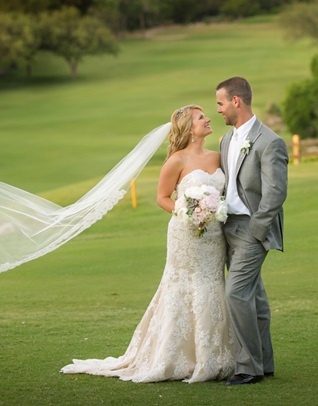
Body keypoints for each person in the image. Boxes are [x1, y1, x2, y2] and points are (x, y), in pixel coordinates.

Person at [60, 105, 235, 383]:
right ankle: (176, 356)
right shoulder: (176, 161)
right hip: (186, 235)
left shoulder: (217, 157)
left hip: (214, 237)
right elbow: (162, 198)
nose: (208, 119)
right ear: (189, 128)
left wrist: (210, 213)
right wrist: (188, 212)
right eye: (201, 117)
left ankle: (215, 354)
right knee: (183, 287)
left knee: (212, 285)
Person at [216, 77, 288, 385]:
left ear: (236, 101)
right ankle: (265, 362)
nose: (218, 109)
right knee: (254, 296)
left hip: (252, 229)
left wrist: (257, 229)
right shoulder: (225, 140)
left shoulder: (269, 141)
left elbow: (276, 192)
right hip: (227, 227)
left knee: (235, 292)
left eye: (220, 103)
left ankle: (248, 367)